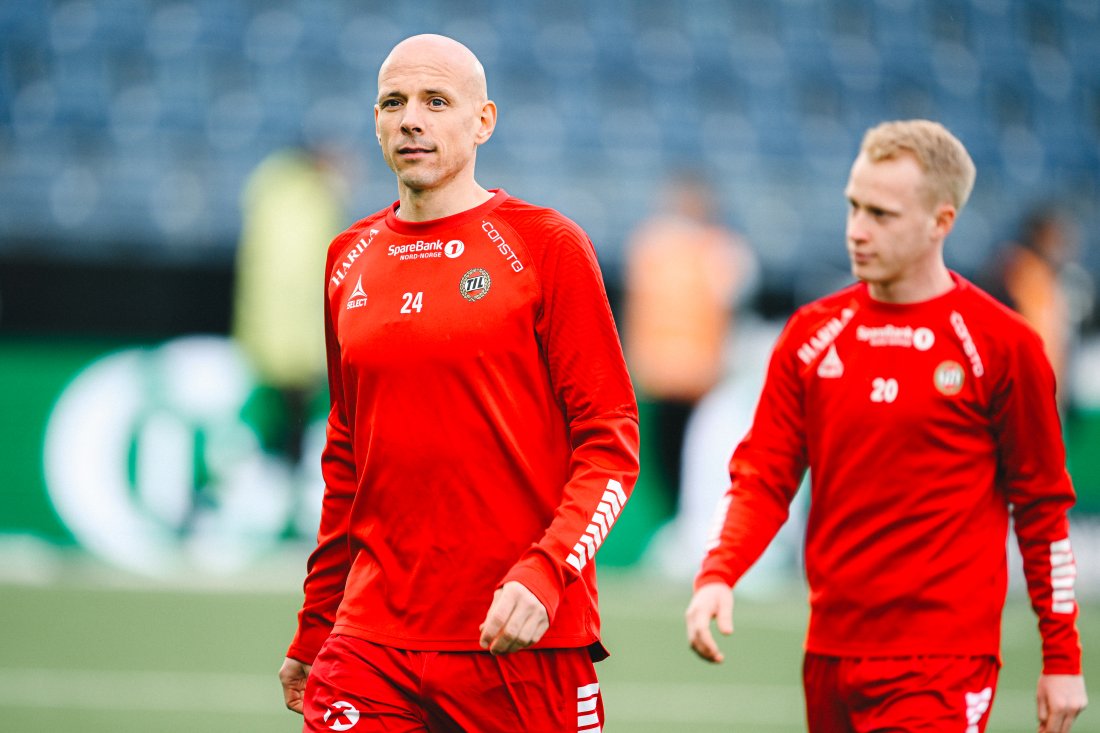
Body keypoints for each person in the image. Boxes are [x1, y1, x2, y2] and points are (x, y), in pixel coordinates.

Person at [278, 34, 640, 732]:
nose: (411, 119)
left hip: (520, 636)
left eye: (436, 102)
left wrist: (547, 570)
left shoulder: (546, 246)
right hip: (370, 642)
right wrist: (317, 620)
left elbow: (611, 443)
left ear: (484, 121)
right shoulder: (347, 258)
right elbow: (347, 460)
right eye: (394, 102)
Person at [685, 120, 1088, 732]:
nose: (856, 230)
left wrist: (1062, 656)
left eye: (881, 213)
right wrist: (720, 572)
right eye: (852, 206)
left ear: (940, 222)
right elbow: (765, 475)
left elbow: (1041, 509)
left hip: (942, 665)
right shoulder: (811, 334)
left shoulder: (1003, 345)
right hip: (829, 655)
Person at [622, 170, 758, 516]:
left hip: (703, 375)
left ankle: (692, 520)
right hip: (660, 372)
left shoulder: (722, 250)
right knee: (663, 451)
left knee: (698, 453)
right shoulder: (652, 245)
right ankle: (677, 518)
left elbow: (731, 310)